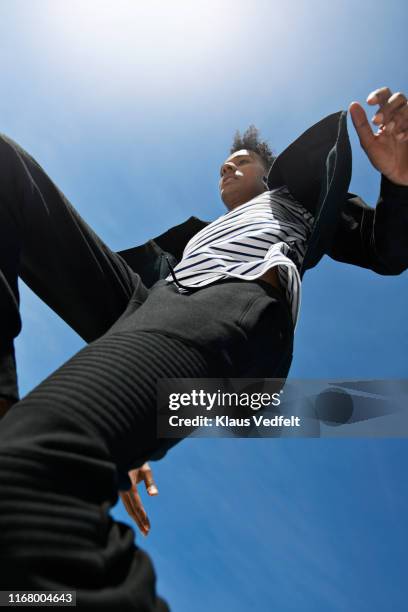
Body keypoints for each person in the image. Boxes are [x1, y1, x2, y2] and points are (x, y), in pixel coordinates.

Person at [0, 85, 407, 607]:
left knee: (25, 483)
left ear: (268, 169)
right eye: (222, 165)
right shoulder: (192, 237)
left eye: (239, 162)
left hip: (237, 300)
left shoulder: (299, 197)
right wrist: (125, 414)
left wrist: (400, 182)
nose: (225, 169)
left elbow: (388, 249)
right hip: (151, 304)